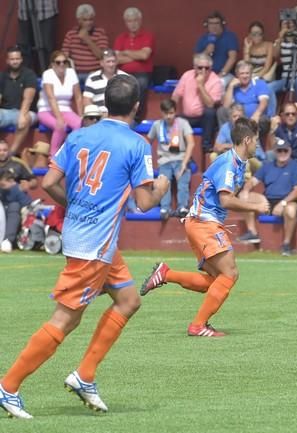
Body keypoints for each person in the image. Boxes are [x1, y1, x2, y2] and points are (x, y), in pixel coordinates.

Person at [0, 75, 169, 419]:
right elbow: (143, 202)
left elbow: (48, 182)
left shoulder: (78, 136)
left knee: (128, 300)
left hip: (87, 239)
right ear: (137, 106)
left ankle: (85, 376)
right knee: (65, 320)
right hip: (95, 247)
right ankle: (8, 387)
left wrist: (75, 207)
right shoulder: (136, 144)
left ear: (106, 103)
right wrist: (163, 187)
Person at [140, 118, 270, 337]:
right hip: (204, 222)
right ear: (247, 140)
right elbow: (226, 200)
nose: (258, 145)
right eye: (256, 140)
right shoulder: (229, 163)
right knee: (230, 274)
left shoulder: (238, 162)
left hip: (201, 222)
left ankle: (166, 274)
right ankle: (198, 325)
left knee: (213, 281)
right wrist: (256, 206)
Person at [239, 140, 297, 255]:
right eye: (279, 150)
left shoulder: (296, 167)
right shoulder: (267, 166)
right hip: (268, 200)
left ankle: (286, 244)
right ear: (275, 151)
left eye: (285, 150)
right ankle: (252, 232)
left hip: (287, 201)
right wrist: (245, 190)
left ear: (290, 151)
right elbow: (252, 181)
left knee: (291, 210)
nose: (282, 153)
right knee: (243, 196)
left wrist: (283, 203)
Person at [147, 99, 195, 220]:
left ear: (175, 112)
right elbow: (147, 141)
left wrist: (184, 163)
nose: (169, 116)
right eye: (166, 113)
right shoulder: (157, 125)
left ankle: (182, 207)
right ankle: (165, 208)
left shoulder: (183, 123)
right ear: (161, 113)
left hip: (181, 159)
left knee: (183, 181)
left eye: (172, 113)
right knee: (164, 181)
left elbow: (191, 143)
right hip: (164, 161)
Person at [172, 53, 223, 153]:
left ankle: (206, 146)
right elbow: (176, 96)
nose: (203, 71)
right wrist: (171, 110)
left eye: (207, 68)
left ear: (211, 68)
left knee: (210, 112)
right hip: (187, 116)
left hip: (204, 118)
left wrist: (200, 85)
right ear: (194, 67)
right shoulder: (187, 75)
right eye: (200, 68)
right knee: (174, 120)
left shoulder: (216, 80)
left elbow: (210, 104)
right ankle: (175, 150)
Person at [37, 51, 82, 156]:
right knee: (60, 125)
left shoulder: (71, 73)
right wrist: (59, 117)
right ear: (52, 64)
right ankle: (53, 155)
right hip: (46, 109)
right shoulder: (48, 74)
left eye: (64, 62)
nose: (61, 64)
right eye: (58, 62)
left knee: (80, 124)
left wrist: (81, 115)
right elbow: (51, 98)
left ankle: (71, 150)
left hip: (66, 109)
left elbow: (78, 97)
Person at [114, 7, 155, 122]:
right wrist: (136, 56)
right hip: (123, 72)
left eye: (135, 20)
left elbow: (144, 56)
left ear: (140, 20)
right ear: (125, 23)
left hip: (142, 73)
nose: (133, 24)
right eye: (129, 21)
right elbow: (116, 59)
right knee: (114, 84)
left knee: (140, 83)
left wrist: (126, 52)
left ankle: (136, 117)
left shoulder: (148, 36)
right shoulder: (120, 38)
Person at [0, 139, 37, 252]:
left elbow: (34, 181)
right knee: (13, 188)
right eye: (0, 150)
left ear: (9, 151)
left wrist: (27, 184)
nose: (2, 152)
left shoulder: (17, 163)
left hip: (13, 201)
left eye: (5, 150)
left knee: (14, 204)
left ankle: (7, 241)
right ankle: (29, 205)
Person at [0, 46, 38, 155]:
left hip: (28, 111)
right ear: (7, 61)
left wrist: (22, 115)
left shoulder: (29, 74)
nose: (15, 61)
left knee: (24, 119)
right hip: (7, 112)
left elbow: (28, 98)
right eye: (12, 59)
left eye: (17, 59)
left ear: (21, 59)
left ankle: (11, 154)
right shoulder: (2, 76)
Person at [220, 60, 272, 137]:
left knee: (263, 120)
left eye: (247, 73)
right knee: (221, 111)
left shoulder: (259, 83)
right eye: (242, 73)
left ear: (251, 74)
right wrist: (231, 87)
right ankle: (228, 137)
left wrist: (256, 115)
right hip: (238, 119)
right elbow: (226, 106)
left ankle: (255, 144)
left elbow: (263, 102)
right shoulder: (232, 86)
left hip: (256, 118)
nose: (245, 76)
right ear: (237, 75)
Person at [61, 4, 109, 84]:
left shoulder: (100, 33)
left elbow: (102, 56)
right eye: (85, 20)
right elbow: (64, 56)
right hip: (75, 75)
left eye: (91, 20)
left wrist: (87, 39)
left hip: (95, 73)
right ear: (79, 20)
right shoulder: (71, 34)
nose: (88, 22)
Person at [194, 11, 238, 85]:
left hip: (225, 74)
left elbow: (232, 58)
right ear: (206, 25)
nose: (214, 26)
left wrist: (221, 74)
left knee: (219, 83)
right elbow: (195, 59)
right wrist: (206, 52)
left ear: (222, 24)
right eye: (211, 23)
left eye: (217, 23)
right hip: (205, 73)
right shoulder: (203, 38)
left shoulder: (230, 36)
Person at [16, 0, 58, 73]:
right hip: (24, 11)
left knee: (47, 48)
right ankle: (27, 79)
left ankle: (49, 78)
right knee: (24, 48)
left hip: (45, 10)